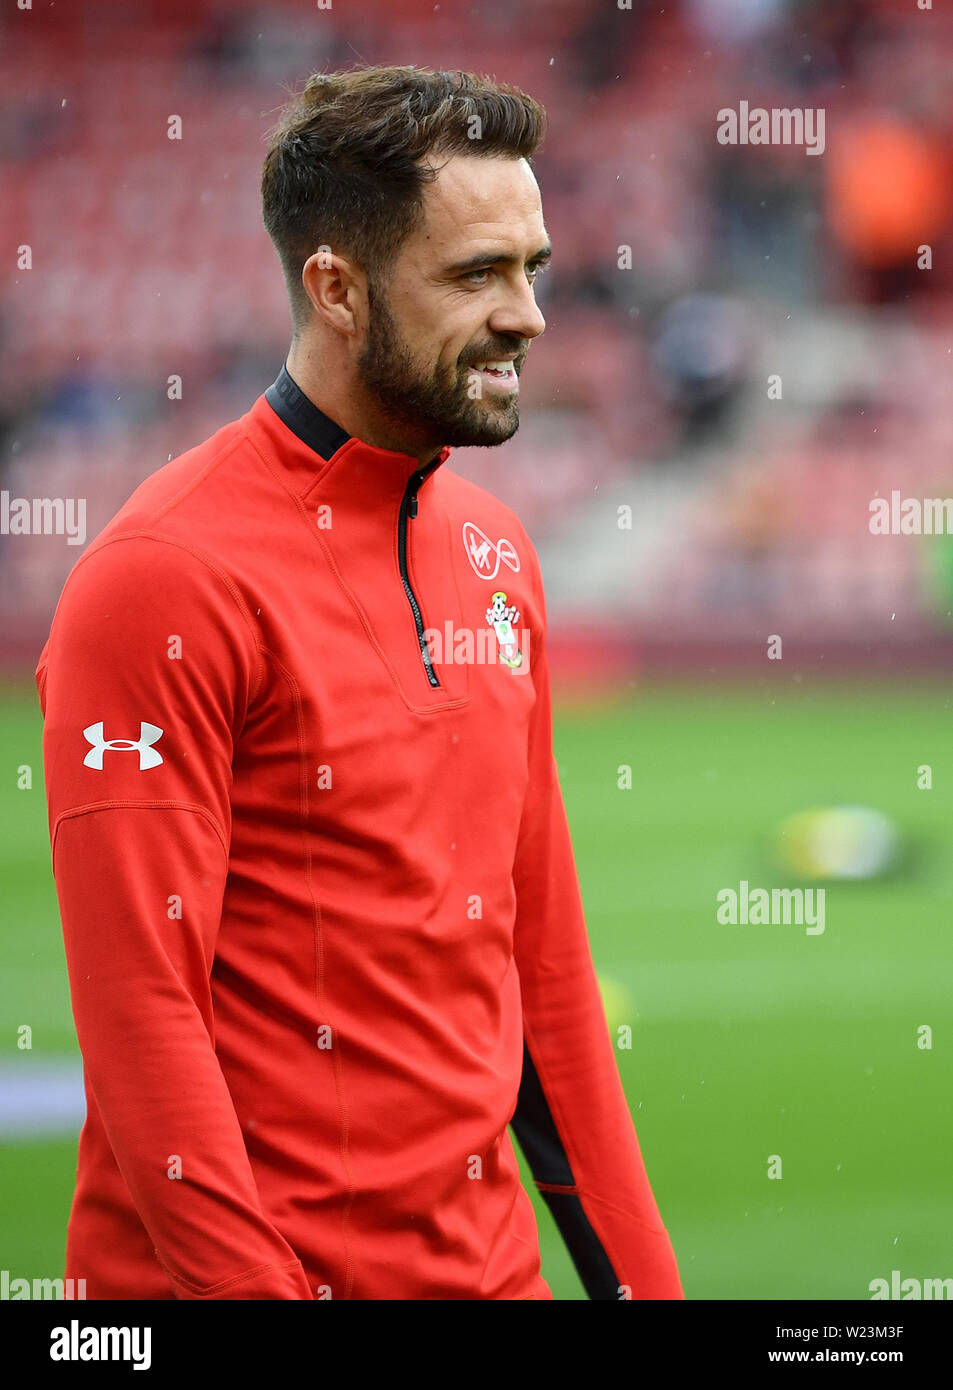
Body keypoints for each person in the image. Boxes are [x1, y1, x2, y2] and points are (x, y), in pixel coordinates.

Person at [35, 64, 683, 1301]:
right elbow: (140, 1023)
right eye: (475, 274)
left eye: (531, 269)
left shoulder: (498, 553)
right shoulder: (162, 576)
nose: (528, 315)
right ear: (335, 287)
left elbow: (542, 973)